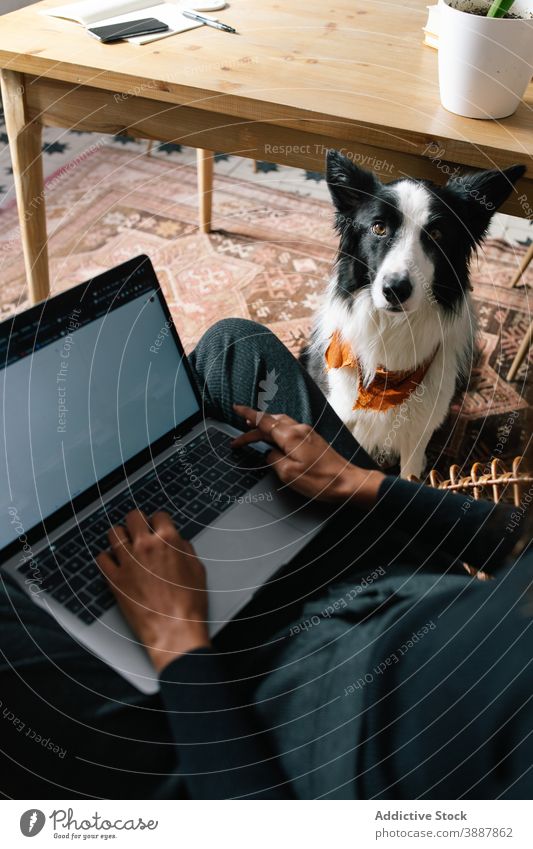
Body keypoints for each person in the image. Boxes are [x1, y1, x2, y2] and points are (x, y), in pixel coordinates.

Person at [0, 319, 530, 799]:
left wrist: (178, 643)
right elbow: (518, 539)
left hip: (291, 729)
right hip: (412, 594)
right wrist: (360, 484)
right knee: (235, 348)